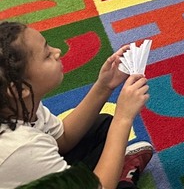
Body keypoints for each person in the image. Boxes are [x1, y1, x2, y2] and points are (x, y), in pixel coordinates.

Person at [0, 22, 152, 189]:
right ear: (19, 89)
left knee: (103, 128)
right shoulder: (21, 147)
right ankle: (123, 180)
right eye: (46, 55)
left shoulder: (18, 105)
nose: (57, 52)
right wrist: (123, 118)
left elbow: (62, 139)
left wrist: (104, 86)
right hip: (26, 162)